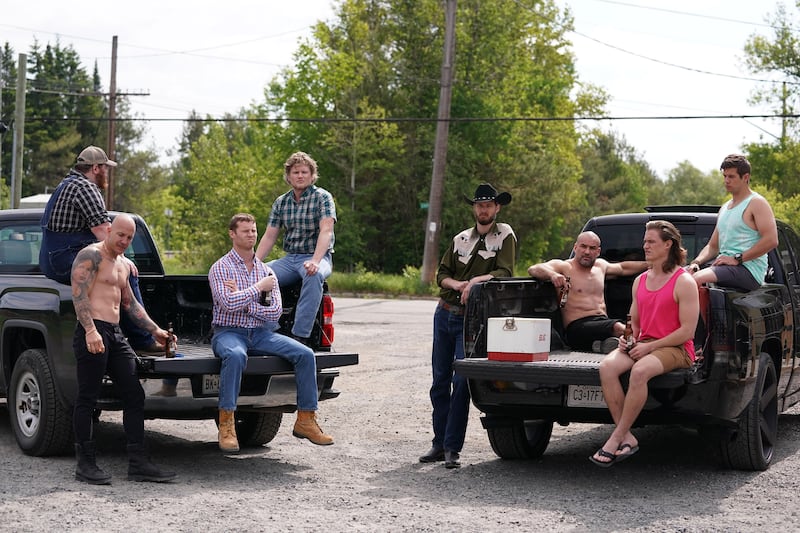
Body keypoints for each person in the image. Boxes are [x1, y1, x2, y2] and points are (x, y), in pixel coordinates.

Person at [210, 213, 333, 453]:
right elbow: (226, 304)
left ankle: (306, 419)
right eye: (245, 231)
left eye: (254, 230)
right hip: (229, 332)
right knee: (235, 356)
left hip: (261, 333)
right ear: (232, 234)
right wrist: (257, 290)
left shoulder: (267, 271)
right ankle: (227, 425)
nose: (251, 235)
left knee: (305, 354)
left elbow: (274, 312)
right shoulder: (220, 267)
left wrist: (244, 297)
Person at [71, 215, 176, 484]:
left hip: (116, 334)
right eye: (120, 235)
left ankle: (138, 463)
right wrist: (90, 331)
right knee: (87, 398)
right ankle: (85, 465)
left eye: (129, 238)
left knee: (134, 394)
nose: (124, 241)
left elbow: (129, 304)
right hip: (92, 330)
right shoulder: (90, 256)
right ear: (108, 230)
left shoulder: (124, 265)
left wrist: (156, 331)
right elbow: (79, 294)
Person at [420, 183, 516, 469]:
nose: (483, 209)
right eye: (479, 205)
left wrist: (473, 282)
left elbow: (505, 271)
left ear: (497, 208)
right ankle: (438, 442)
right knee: (439, 381)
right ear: (474, 208)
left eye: (489, 205)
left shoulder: (504, 235)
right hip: (444, 312)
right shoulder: (461, 238)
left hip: (471, 318)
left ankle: (452, 447)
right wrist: (457, 284)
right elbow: (442, 275)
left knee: (460, 381)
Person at [590, 220, 699, 467]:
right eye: (644, 241)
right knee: (607, 367)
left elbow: (687, 331)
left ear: (668, 244)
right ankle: (628, 437)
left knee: (639, 371)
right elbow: (635, 323)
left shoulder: (683, 281)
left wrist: (650, 347)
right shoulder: (640, 281)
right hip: (644, 344)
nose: (645, 246)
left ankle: (616, 437)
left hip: (676, 348)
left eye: (651, 242)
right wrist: (627, 339)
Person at [40, 145, 162, 355]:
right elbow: (104, 231)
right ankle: (141, 340)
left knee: (115, 274)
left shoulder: (67, 184)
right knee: (125, 275)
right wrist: (122, 260)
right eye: (105, 168)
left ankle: (119, 334)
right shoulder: (85, 187)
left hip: (54, 258)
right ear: (96, 168)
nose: (107, 173)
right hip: (64, 258)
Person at [255, 151, 336, 345]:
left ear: (312, 175)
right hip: (290, 258)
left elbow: (326, 231)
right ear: (289, 176)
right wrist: (253, 263)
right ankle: (268, 329)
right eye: (296, 172)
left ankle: (300, 335)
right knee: (260, 274)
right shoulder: (281, 202)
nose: (300, 176)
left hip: (318, 257)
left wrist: (315, 261)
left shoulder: (322, 197)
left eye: (304, 172)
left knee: (313, 274)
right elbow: (269, 236)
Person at [527, 232, 647, 353]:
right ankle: (642, 349)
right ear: (575, 247)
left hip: (602, 322)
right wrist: (553, 275)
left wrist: (651, 264)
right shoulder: (564, 267)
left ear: (598, 251)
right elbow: (534, 269)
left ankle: (602, 345)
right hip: (577, 327)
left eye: (592, 248)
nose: (587, 252)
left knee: (621, 328)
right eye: (583, 246)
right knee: (621, 328)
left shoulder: (601, 266)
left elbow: (623, 268)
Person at [687, 154, 778, 291]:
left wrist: (737, 259)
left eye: (731, 176)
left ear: (745, 177)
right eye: (725, 176)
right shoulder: (724, 208)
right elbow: (713, 246)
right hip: (724, 267)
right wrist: (696, 263)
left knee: (696, 279)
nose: (727, 181)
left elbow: (771, 240)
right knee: (681, 276)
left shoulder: (756, 203)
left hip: (748, 270)